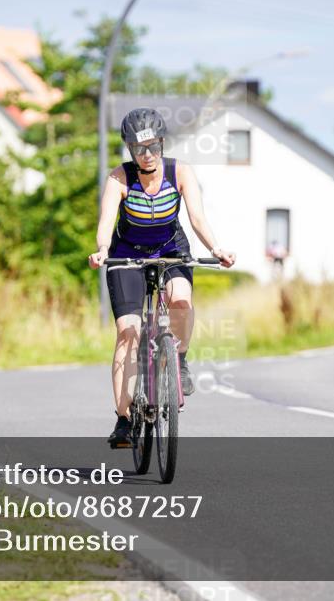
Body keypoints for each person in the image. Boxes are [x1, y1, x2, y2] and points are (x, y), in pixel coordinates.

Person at [88, 108, 235, 446]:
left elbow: (197, 218)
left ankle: (178, 360)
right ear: (129, 149)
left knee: (181, 300)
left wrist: (217, 249)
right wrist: (101, 249)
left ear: (162, 144)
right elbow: (106, 223)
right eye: (139, 149)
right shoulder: (119, 178)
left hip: (171, 247)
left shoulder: (180, 171)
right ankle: (124, 420)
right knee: (128, 331)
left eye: (153, 147)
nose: (148, 155)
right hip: (127, 252)